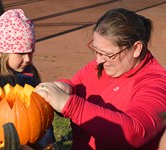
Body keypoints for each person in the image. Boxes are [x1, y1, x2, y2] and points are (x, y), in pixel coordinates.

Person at [35, 8, 166, 149]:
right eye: (96, 51)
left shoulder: (156, 83)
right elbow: (76, 85)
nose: (98, 61)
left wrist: (71, 105)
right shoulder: (103, 66)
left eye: (107, 54)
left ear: (136, 49)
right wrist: (66, 87)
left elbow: (134, 132)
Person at [0, 9, 56, 150]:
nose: (27, 59)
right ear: (2, 52)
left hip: (29, 136)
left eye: (30, 52)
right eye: (21, 53)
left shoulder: (26, 71)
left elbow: (39, 117)